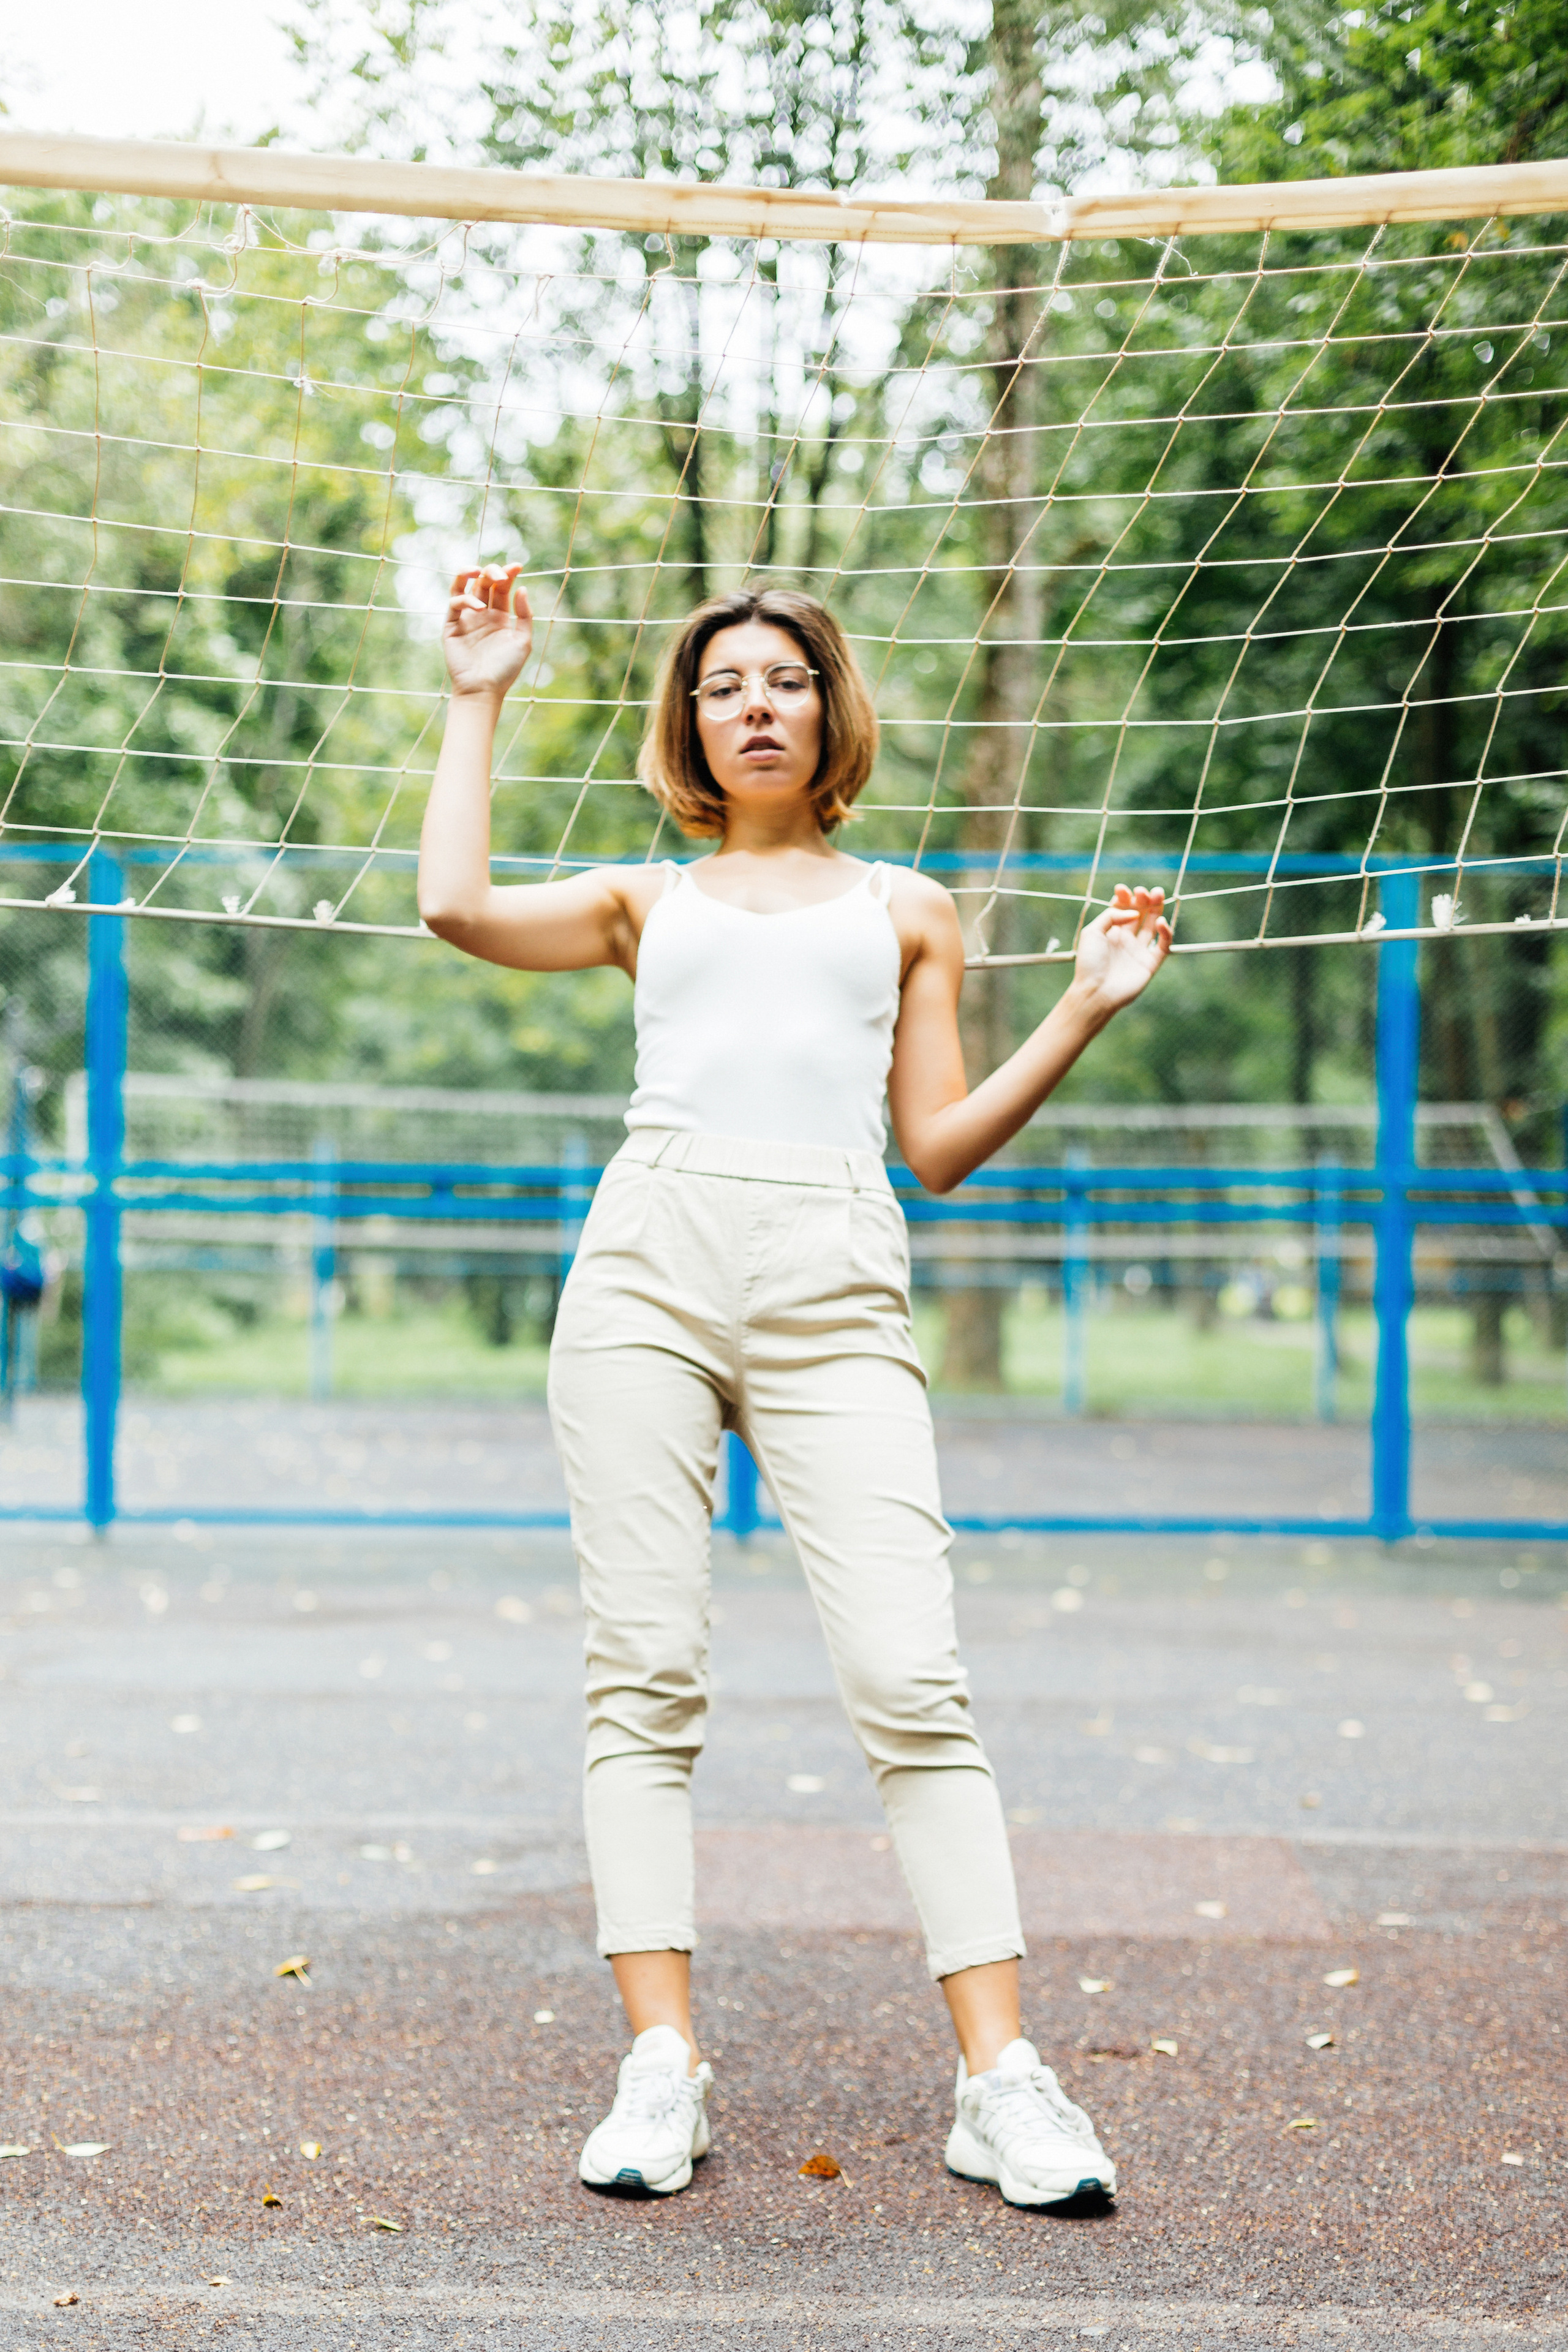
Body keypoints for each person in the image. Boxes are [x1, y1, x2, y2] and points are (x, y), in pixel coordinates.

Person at [418, 565, 1171, 2209]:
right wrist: (479, 692)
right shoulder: (643, 902)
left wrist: (1087, 1009)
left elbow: (943, 1150)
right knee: (648, 1676)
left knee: (915, 1682)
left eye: (784, 680)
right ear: (688, 725)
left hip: (838, 1278)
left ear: (830, 711)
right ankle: (663, 2067)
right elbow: (457, 908)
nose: (754, 702)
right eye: (720, 685)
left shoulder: (907, 909)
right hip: (650, 1268)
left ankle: (1001, 2082)